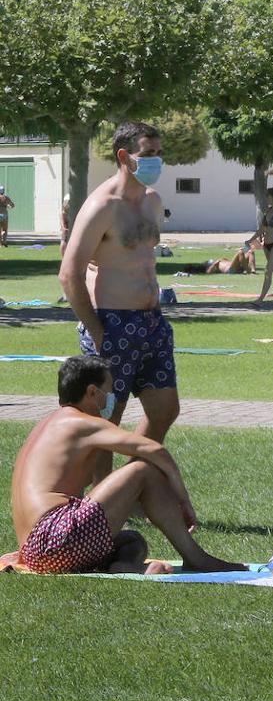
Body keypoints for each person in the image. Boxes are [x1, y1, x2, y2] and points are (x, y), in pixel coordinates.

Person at [10, 357, 245, 575]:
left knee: (132, 541)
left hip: (36, 552)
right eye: (109, 390)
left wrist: (149, 504)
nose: (112, 397)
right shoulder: (82, 423)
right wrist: (183, 501)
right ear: (92, 392)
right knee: (142, 469)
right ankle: (197, 558)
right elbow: (155, 450)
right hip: (54, 541)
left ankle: (125, 566)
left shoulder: (48, 426)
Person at [59, 121, 180, 454]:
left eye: (159, 152)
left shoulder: (153, 202)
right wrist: (98, 332)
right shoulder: (102, 206)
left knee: (165, 410)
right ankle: (102, 499)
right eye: (148, 153)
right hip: (112, 322)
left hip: (152, 322)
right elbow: (69, 273)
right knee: (107, 418)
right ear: (125, 156)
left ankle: (131, 483)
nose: (156, 160)